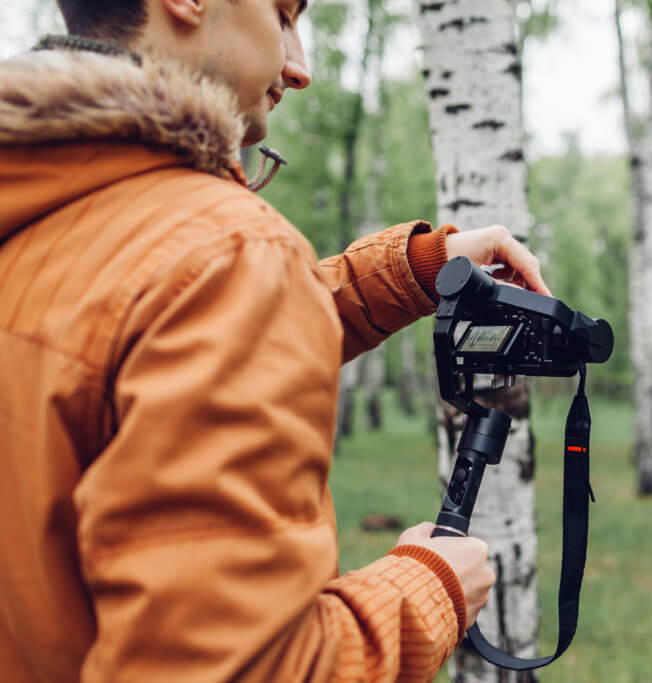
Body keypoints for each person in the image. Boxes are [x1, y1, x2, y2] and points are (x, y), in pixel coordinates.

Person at [0, 1, 551, 680]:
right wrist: (426, 591)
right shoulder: (228, 258)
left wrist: (412, 271)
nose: (299, 67)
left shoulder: (41, 213)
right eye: (283, 14)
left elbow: (137, 323)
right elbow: (238, 667)